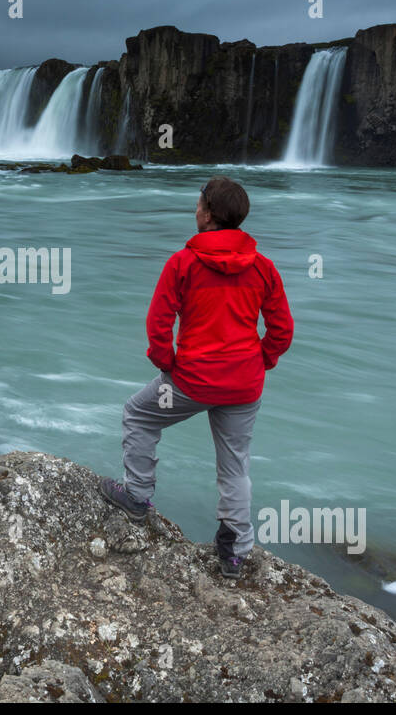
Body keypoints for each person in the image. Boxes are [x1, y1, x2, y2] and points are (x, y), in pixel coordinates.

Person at [98, 176, 294, 578]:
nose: (195, 209)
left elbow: (158, 323)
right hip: (243, 385)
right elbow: (282, 329)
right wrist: (260, 361)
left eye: (198, 204)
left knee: (139, 414)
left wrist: (166, 361)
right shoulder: (263, 268)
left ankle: (136, 495)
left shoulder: (183, 263)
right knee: (235, 465)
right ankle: (235, 552)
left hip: (191, 381)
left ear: (207, 214)